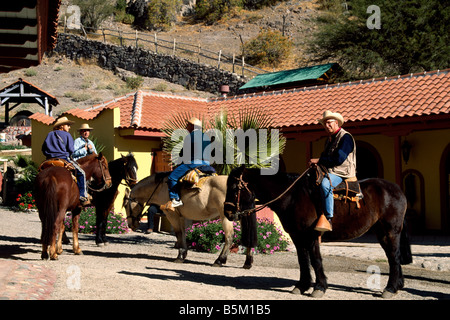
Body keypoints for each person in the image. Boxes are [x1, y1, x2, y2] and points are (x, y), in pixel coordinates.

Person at [309, 111, 357, 232]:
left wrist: (319, 160)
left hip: (342, 172)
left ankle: (328, 218)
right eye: (325, 123)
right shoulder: (329, 139)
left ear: (336, 123)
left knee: (325, 185)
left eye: (329, 123)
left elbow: (339, 159)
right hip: (330, 170)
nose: (327, 126)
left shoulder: (345, 137)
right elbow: (325, 157)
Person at [161, 117, 211, 211]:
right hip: (207, 164)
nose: (186, 127)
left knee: (172, 177)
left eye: (187, 125)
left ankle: (176, 200)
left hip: (193, 163)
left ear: (192, 126)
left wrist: (179, 163)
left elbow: (184, 153)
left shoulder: (190, 136)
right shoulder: (206, 136)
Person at [42, 117, 91, 206]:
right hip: (63, 159)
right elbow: (71, 150)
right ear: (61, 126)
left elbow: (43, 149)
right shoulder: (67, 135)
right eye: (67, 125)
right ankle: (83, 196)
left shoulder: (49, 134)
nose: (69, 127)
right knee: (81, 173)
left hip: (49, 160)